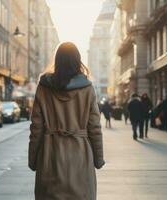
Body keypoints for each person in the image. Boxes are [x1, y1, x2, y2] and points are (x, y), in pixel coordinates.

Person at [28, 42, 105, 200]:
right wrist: (98, 159)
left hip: (50, 156)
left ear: (57, 60)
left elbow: (36, 128)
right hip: (80, 156)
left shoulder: (44, 87)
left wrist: (33, 159)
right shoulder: (87, 89)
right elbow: (95, 128)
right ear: (78, 60)